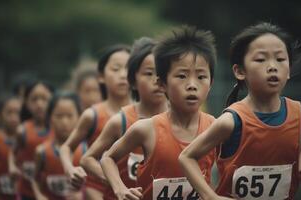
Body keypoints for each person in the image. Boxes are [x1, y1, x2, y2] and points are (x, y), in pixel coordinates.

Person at [179, 22, 301, 200]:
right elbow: (186, 157)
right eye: (261, 59)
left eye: (280, 59)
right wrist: (210, 196)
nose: (272, 66)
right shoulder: (230, 122)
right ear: (240, 71)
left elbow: (293, 143)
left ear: (289, 70)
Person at [100, 26, 217, 200]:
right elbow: (107, 157)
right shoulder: (146, 129)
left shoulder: (215, 127)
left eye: (201, 77)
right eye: (182, 76)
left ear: (211, 83)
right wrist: (120, 188)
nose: (192, 85)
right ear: (162, 84)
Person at [80, 37, 167, 198]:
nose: (157, 80)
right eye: (149, 73)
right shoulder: (120, 121)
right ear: (132, 81)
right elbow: (87, 159)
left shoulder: (180, 119)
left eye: (162, 73)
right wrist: (117, 184)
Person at [60, 44, 131, 199]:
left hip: (135, 190)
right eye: (116, 69)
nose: (123, 75)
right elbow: (67, 147)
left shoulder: (145, 114)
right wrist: (70, 169)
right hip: (98, 191)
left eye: (128, 68)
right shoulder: (92, 115)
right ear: (101, 76)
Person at [31, 92, 87, 200]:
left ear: (79, 117)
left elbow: (95, 184)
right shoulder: (42, 152)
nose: (64, 122)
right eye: (59, 116)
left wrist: (83, 195)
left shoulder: (86, 151)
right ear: (50, 118)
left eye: (69, 116)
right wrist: (39, 195)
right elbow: (34, 179)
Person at [8, 80, 54, 200]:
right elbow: (12, 153)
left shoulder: (58, 130)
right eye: (34, 99)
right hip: (26, 193)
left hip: (50, 194)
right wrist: (12, 166)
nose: (39, 104)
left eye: (44, 99)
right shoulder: (22, 130)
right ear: (27, 103)